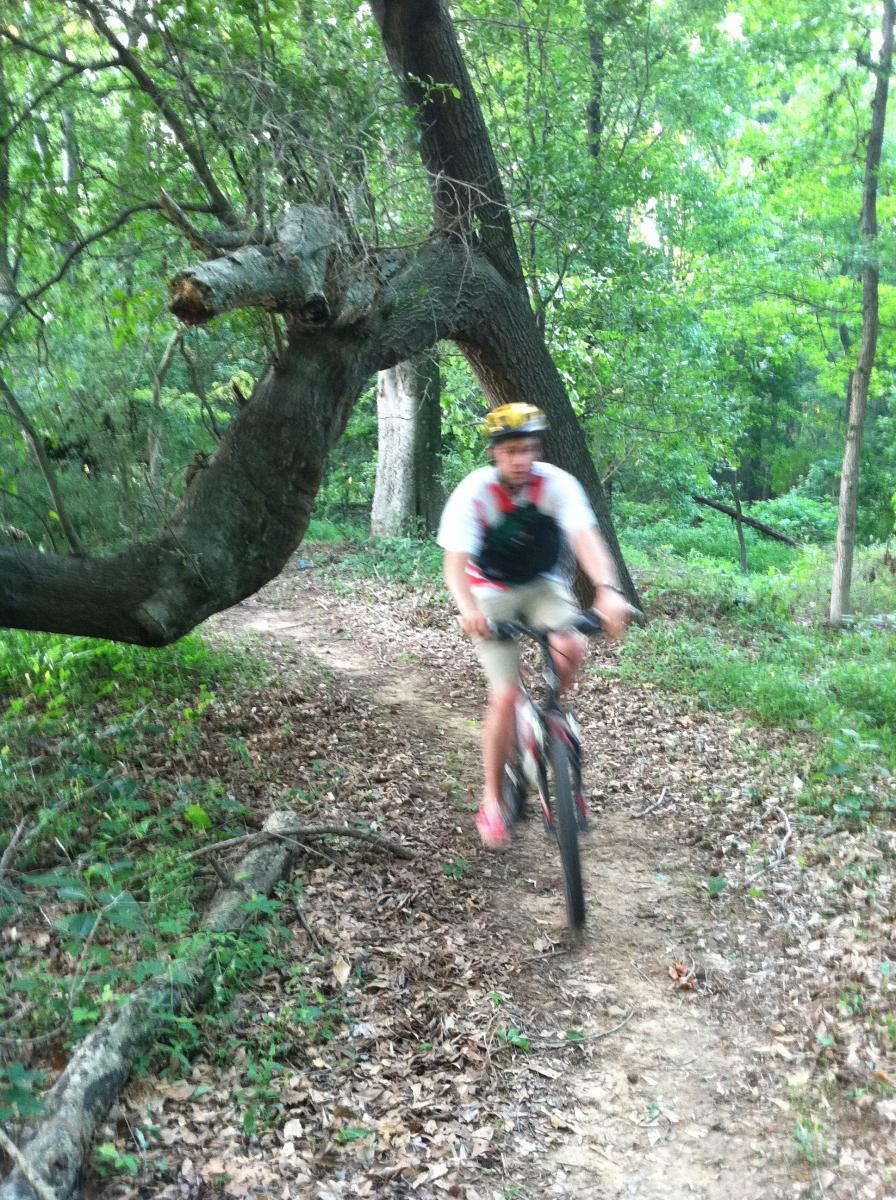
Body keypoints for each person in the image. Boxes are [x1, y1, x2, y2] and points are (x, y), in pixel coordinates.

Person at [437, 402, 633, 848]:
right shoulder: (474, 495)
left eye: (528, 449)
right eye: (510, 451)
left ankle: (551, 713)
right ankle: (492, 800)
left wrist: (607, 590)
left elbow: (586, 538)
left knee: (572, 645)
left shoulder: (557, 485)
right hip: (488, 589)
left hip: (544, 583)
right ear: (495, 454)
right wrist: (469, 609)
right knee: (504, 695)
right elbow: (455, 566)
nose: (521, 459)